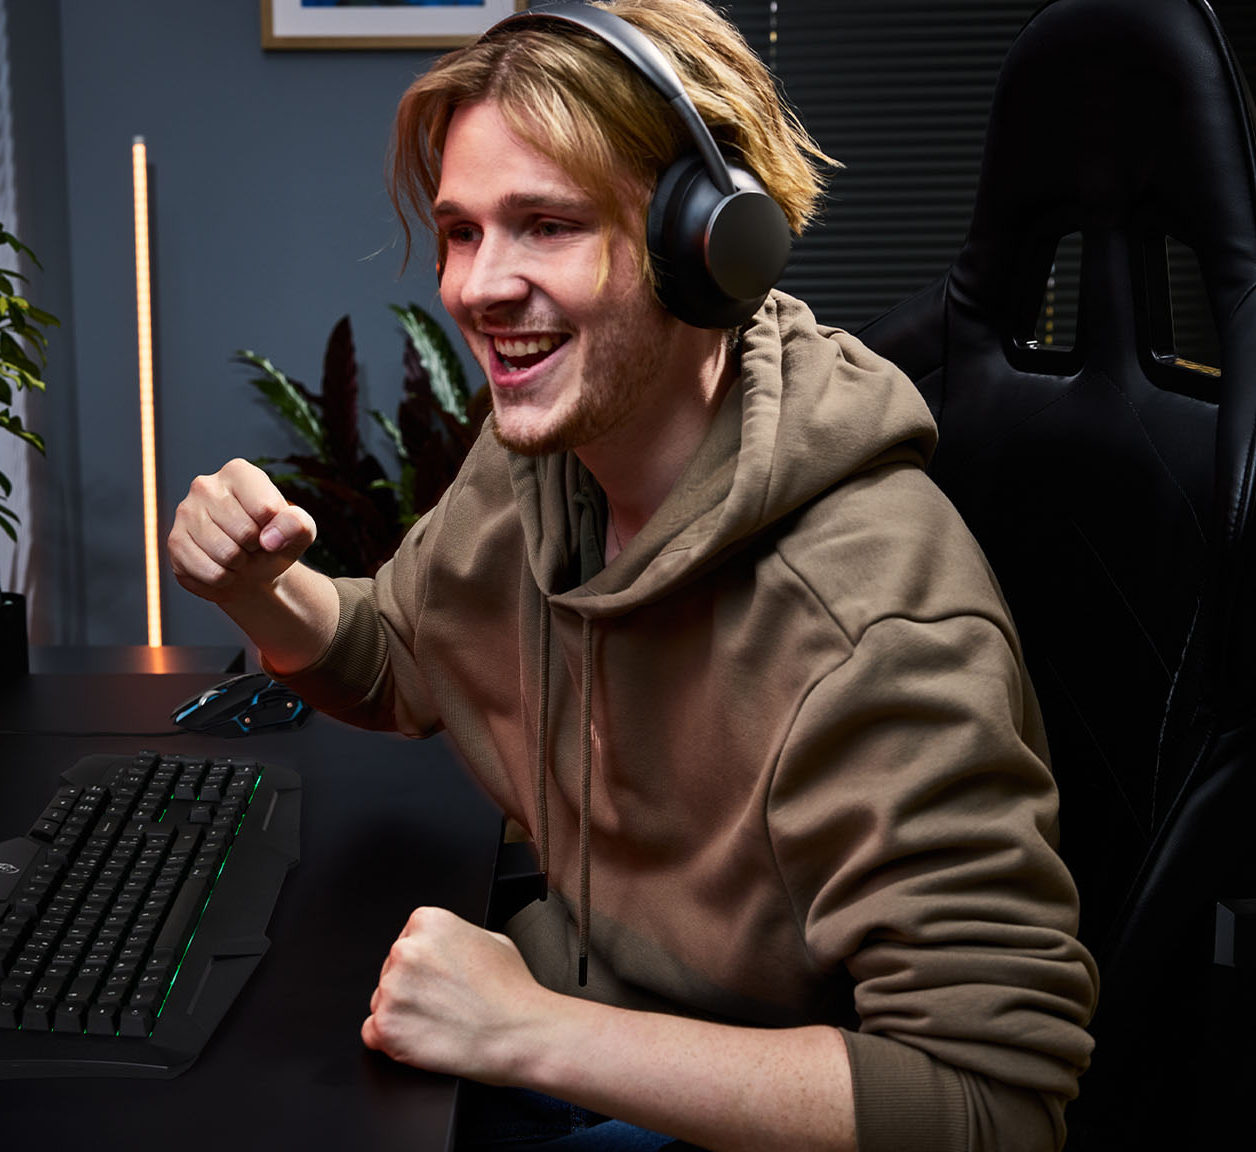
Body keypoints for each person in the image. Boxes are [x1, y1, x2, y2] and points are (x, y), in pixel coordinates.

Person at [167, 2, 1098, 1150]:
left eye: (545, 225)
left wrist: (523, 1032)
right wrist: (256, 588)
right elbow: (403, 656)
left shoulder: (873, 620)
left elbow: (993, 1105)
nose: (476, 286)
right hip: (586, 1024)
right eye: (461, 232)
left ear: (708, 246)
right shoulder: (545, 466)